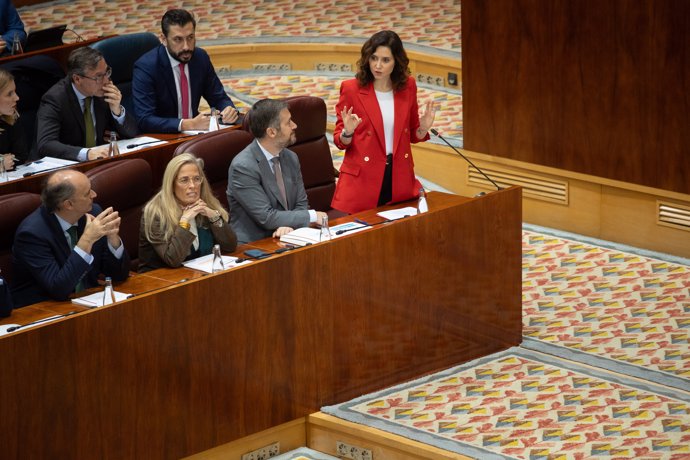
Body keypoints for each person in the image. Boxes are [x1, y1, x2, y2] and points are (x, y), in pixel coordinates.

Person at [331, 30, 436, 214]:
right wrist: (348, 132)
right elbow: (340, 141)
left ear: (396, 62)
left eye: (385, 60)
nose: (377, 65)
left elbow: (413, 135)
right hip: (363, 181)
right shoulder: (351, 89)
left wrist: (423, 128)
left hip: (398, 177)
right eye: (373, 58)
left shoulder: (408, 86)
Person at [11, 169, 130, 308]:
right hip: (43, 309)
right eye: (87, 193)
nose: (94, 194)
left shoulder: (93, 213)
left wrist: (113, 239)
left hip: (87, 301)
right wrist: (87, 240)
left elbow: (119, 275)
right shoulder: (32, 234)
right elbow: (59, 289)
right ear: (68, 204)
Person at [227, 98, 327, 244]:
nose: (295, 125)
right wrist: (312, 216)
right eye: (288, 122)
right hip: (254, 245)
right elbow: (266, 217)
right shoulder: (243, 167)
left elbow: (301, 204)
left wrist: (288, 225)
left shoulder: (290, 157)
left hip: (288, 235)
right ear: (272, 132)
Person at [132, 8, 238, 133]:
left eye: (190, 37)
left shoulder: (200, 57)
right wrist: (187, 124)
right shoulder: (146, 67)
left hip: (195, 133)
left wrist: (228, 109)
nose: (186, 46)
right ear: (163, 39)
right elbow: (144, 119)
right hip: (163, 137)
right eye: (178, 39)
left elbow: (218, 97)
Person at [35, 46, 138, 161]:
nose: (106, 81)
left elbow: (132, 133)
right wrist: (87, 153)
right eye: (99, 76)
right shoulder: (55, 99)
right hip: (69, 167)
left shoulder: (103, 93)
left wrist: (117, 111)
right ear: (77, 79)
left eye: (107, 72)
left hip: (101, 162)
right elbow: (46, 144)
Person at [139, 153, 237, 272]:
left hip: (198, 276)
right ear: (171, 184)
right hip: (162, 282)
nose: (192, 186)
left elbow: (230, 246)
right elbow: (173, 259)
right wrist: (185, 221)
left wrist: (213, 216)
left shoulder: (205, 203)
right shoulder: (156, 213)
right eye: (184, 180)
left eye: (196, 179)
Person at [0, 68, 24, 170]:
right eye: (9, 94)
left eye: (14, 91)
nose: (17, 97)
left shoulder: (11, 117)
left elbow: (21, 156)